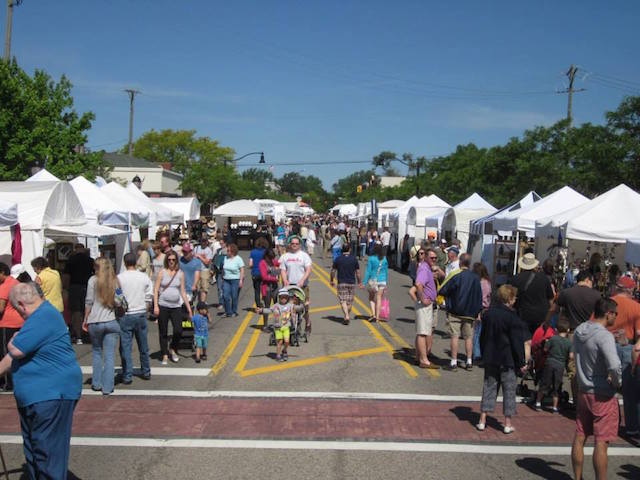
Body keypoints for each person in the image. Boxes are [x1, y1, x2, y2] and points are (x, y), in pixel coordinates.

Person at [0, 282, 82, 479]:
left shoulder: (43, 315)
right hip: (37, 396)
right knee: (36, 451)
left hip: (50, 394)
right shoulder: (38, 318)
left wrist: (13, 341)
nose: (20, 316)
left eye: (18, 311)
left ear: (21, 305)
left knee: (47, 453)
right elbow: (12, 358)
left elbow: (15, 350)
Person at [571, 298, 622, 480]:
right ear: (608, 313)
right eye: (615, 314)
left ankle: (577, 477)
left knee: (580, 435)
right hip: (602, 393)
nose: (616, 317)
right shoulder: (605, 336)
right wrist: (617, 382)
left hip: (584, 389)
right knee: (601, 441)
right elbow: (614, 365)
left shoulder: (580, 330)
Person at [477, 285, 526, 434]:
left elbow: (482, 336)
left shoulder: (488, 314)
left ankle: (482, 419)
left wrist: (483, 353)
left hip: (491, 356)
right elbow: (517, 342)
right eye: (514, 297)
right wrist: (521, 361)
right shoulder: (513, 318)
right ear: (510, 299)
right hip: (507, 358)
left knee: (489, 387)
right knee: (509, 391)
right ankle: (507, 423)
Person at [607, 275, 640, 436]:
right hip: (628, 347)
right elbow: (639, 333)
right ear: (630, 290)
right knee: (630, 390)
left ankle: (609, 422)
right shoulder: (636, 307)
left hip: (607, 345)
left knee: (607, 387)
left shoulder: (607, 303)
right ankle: (632, 426)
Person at [438, 253, 483, 370]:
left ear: (460, 262)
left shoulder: (455, 275)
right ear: (469, 263)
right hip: (470, 313)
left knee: (455, 336)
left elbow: (443, 289)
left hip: (455, 311)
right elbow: (479, 296)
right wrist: (478, 311)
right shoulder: (475, 278)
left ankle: (453, 362)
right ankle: (469, 361)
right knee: (469, 337)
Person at [84, 257, 121, 395]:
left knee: (97, 352)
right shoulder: (115, 281)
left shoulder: (92, 280)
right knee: (110, 355)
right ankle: (108, 387)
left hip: (95, 321)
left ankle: (96, 383)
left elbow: (89, 301)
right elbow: (120, 300)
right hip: (111, 320)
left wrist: (85, 318)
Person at [508, 253, 554, 361]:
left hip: (523, 314)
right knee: (539, 340)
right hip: (541, 315)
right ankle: (537, 362)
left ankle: (526, 363)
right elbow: (551, 299)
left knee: (526, 341)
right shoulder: (544, 278)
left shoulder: (515, 279)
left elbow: (509, 298)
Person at [117, 252, 153, 384]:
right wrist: (146, 309)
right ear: (136, 262)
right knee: (143, 345)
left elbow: (117, 296)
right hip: (141, 312)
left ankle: (127, 375)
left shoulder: (120, 278)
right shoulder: (143, 277)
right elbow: (149, 295)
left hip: (126, 314)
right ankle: (146, 371)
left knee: (126, 347)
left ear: (125, 263)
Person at [154, 250, 192, 365]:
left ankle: (173, 348)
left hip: (176, 306)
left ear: (176, 261)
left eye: (173, 260)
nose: (171, 262)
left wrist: (189, 308)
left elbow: (183, 292)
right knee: (163, 331)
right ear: (167, 261)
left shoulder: (180, 273)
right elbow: (156, 290)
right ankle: (165, 354)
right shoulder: (162, 273)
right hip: (163, 305)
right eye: (169, 260)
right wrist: (156, 306)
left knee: (178, 330)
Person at [534, 315, 572, 413]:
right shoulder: (569, 343)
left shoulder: (553, 339)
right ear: (568, 330)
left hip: (550, 362)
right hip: (560, 365)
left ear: (556, 329)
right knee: (557, 386)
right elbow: (571, 356)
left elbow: (545, 349)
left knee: (545, 383)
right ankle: (554, 407)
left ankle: (538, 402)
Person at [409, 248, 439, 369]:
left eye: (435, 258)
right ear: (426, 257)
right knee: (422, 333)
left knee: (421, 332)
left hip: (425, 304)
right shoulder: (424, 268)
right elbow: (418, 284)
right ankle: (424, 360)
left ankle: (418, 357)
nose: (434, 259)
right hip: (424, 305)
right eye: (432, 257)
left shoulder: (426, 268)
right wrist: (422, 298)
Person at [258, 288, 305, 362]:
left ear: (287, 298)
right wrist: (262, 310)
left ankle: (284, 350)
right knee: (279, 342)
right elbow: (269, 310)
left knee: (287, 341)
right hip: (278, 327)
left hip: (286, 327)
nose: (283, 299)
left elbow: (298, 308)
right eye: (282, 297)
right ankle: (278, 355)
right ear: (279, 298)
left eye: (285, 297)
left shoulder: (290, 305)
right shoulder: (276, 306)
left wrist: (303, 304)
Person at [280, 235, 313, 333]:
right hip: (290, 286)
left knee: (304, 307)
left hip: (302, 286)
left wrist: (302, 280)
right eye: (293, 243)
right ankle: (285, 326)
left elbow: (308, 269)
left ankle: (308, 322)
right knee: (287, 307)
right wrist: (285, 280)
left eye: (296, 244)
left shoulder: (304, 256)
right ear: (290, 244)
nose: (294, 245)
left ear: (300, 245)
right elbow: (283, 270)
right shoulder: (285, 256)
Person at [63, 243, 95, 344]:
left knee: (76, 311)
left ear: (75, 249)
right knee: (87, 309)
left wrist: (65, 288)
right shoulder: (90, 260)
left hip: (74, 287)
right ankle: (87, 333)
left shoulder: (71, 260)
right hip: (88, 286)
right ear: (83, 249)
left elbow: (66, 276)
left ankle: (78, 336)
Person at [0, 262, 23, 392]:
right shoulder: (16, 283)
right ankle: (16, 380)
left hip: (7, 323)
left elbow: (0, 308)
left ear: (2, 272)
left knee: (6, 354)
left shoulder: (5, 286)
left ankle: (7, 383)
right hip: (19, 323)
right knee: (18, 353)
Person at [330, 243, 361, 325]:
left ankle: (346, 316)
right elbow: (358, 272)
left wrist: (331, 280)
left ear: (342, 249)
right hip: (351, 283)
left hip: (341, 282)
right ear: (350, 249)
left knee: (343, 300)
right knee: (349, 302)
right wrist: (359, 282)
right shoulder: (354, 259)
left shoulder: (338, 259)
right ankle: (347, 315)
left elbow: (333, 271)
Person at [362, 244, 389, 323]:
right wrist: (386, 282)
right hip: (382, 280)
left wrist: (364, 282)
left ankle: (373, 314)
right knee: (379, 298)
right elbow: (386, 271)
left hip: (374, 281)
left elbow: (368, 271)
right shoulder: (384, 258)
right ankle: (377, 318)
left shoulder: (371, 258)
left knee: (371, 298)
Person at [473, 262, 492, 362]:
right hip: (487, 309)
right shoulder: (487, 282)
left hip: (479, 309)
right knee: (484, 333)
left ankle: (477, 354)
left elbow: (479, 298)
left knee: (477, 333)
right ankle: (483, 353)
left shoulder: (478, 283)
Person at [259, 248, 280, 330]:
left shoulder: (273, 261)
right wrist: (275, 279)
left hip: (275, 287)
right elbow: (264, 277)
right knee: (267, 307)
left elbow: (280, 263)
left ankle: (277, 324)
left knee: (277, 306)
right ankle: (265, 325)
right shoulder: (262, 263)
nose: (271, 260)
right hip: (267, 287)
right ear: (266, 256)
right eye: (270, 258)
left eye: (272, 258)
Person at [222, 243, 245, 317]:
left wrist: (241, 280)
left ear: (233, 251)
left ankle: (234, 311)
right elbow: (223, 268)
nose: (227, 252)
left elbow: (242, 270)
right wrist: (222, 277)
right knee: (225, 296)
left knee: (234, 296)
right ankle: (228, 312)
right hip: (226, 280)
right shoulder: (225, 258)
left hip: (235, 280)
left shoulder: (238, 259)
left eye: (228, 250)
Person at [179, 242, 202, 306]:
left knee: (189, 307)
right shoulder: (179, 260)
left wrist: (194, 285)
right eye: (183, 251)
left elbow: (197, 274)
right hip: (180, 288)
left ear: (190, 251)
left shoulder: (197, 262)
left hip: (190, 289)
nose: (185, 253)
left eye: (186, 252)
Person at [249, 236, 269, 309]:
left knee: (257, 290)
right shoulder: (266, 252)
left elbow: (250, 264)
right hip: (264, 273)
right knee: (265, 289)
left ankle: (258, 306)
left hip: (255, 273)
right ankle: (266, 304)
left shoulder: (253, 252)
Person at [194, 234, 214, 304]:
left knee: (204, 288)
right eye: (202, 241)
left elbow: (207, 262)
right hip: (197, 270)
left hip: (204, 270)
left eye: (205, 241)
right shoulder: (196, 248)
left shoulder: (208, 250)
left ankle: (202, 303)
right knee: (197, 287)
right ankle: (198, 302)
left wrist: (199, 256)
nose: (203, 242)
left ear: (207, 242)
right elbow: (193, 257)